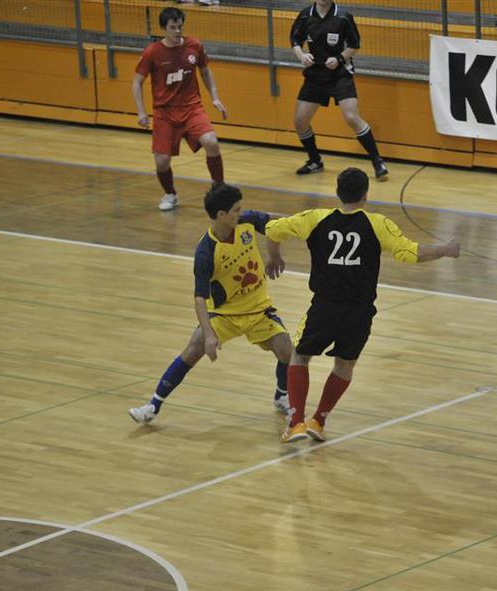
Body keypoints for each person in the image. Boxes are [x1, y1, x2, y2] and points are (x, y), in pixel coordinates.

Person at [264, 168, 461, 444]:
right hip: (359, 311)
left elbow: (272, 229)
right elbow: (409, 253)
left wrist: (274, 257)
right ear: (365, 195)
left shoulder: (316, 218)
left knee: (300, 357)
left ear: (337, 192)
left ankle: (296, 423)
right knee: (345, 364)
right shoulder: (378, 224)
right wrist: (444, 250)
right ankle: (318, 421)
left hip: (324, 306)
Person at [128, 183, 294, 425]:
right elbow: (199, 298)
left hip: (259, 309)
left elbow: (277, 224)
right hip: (225, 314)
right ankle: (153, 405)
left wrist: (274, 254)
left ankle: (282, 395)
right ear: (221, 215)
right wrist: (208, 335)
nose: (241, 212)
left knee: (286, 350)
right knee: (193, 347)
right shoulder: (206, 251)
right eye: (236, 210)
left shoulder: (246, 221)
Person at [132, 7, 227, 212]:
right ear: (163, 28)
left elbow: (206, 72)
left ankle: (219, 188)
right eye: (173, 28)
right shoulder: (152, 52)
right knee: (162, 161)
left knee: (211, 142)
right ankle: (170, 194)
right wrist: (141, 112)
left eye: (180, 27)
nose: (177, 31)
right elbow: (137, 83)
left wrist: (215, 97)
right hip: (164, 113)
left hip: (192, 108)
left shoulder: (194, 45)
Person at [290, 1, 388, 180]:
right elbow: (295, 40)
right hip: (315, 75)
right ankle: (315, 161)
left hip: (340, 75)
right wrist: (301, 56)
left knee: (351, 117)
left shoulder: (343, 17)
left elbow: (354, 44)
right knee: (300, 121)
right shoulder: (305, 15)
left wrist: (339, 58)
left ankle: (377, 161)